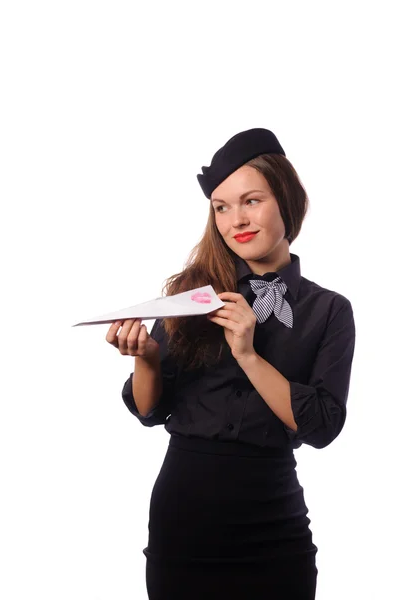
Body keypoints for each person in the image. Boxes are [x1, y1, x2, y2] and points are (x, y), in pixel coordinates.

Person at [106, 128, 356, 599]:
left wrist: (247, 352)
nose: (235, 220)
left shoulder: (329, 310)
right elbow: (148, 412)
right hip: (183, 515)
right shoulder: (194, 296)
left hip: (274, 518)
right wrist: (148, 360)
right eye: (221, 207)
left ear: (285, 200)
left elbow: (321, 427)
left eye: (251, 200)